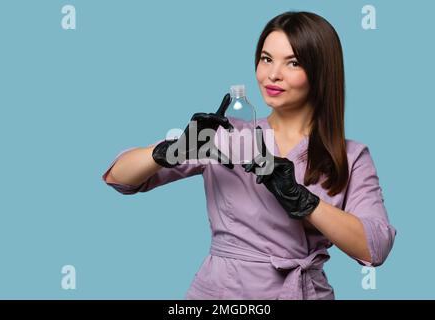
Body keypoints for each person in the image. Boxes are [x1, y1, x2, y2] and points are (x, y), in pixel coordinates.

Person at [101, 11, 396, 300]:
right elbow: (119, 176)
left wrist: (303, 201)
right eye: (266, 59)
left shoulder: (350, 155)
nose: (272, 74)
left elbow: (375, 246)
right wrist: (166, 152)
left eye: (293, 62)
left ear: (321, 72)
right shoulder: (225, 135)